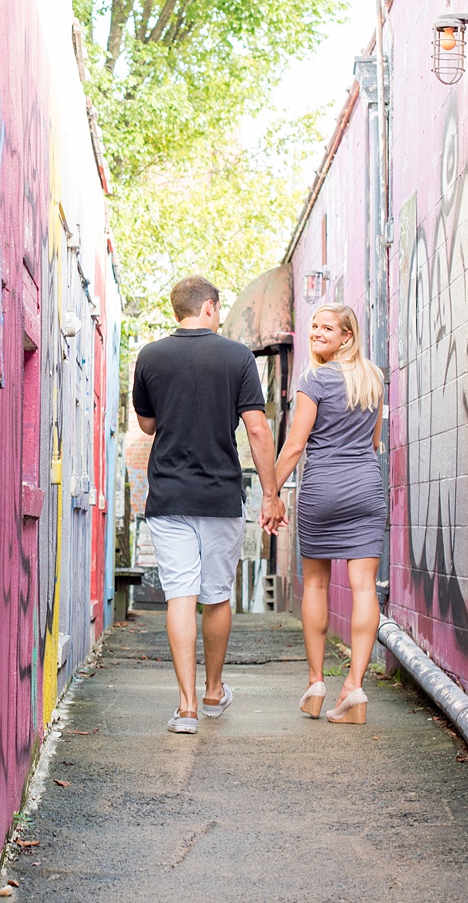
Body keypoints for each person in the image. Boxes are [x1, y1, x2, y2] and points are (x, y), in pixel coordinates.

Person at [132, 275, 284, 734]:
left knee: (181, 593)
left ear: (177, 309)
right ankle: (214, 692)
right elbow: (257, 430)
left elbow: (147, 424)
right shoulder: (237, 357)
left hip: (169, 495)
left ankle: (185, 708)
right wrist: (272, 495)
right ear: (211, 308)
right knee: (216, 595)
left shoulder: (150, 356)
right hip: (220, 496)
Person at [272, 303, 386, 725]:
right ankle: (354, 687)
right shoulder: (373, 380)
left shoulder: (314, 379)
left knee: (316, 586)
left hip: (322, 490)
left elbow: (296, 445)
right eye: (314, 327)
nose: (317, 333)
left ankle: (316, 682)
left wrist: (272, 491)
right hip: (364, 489)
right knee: (364, 588)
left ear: (346, 337)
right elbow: (372, 443)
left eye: (326, 328)